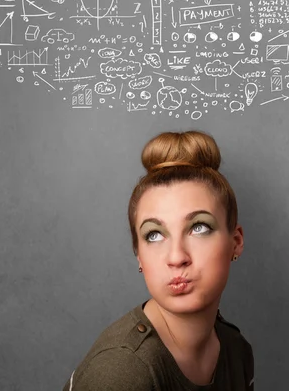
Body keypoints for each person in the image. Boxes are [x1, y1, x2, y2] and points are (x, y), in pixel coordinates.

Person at [62, 130, 254, 390]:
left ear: (236, 241)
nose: (176, 257)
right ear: (139, 254)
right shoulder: (122, 373)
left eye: (199, 227)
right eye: (154, 234)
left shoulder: (236, 350)